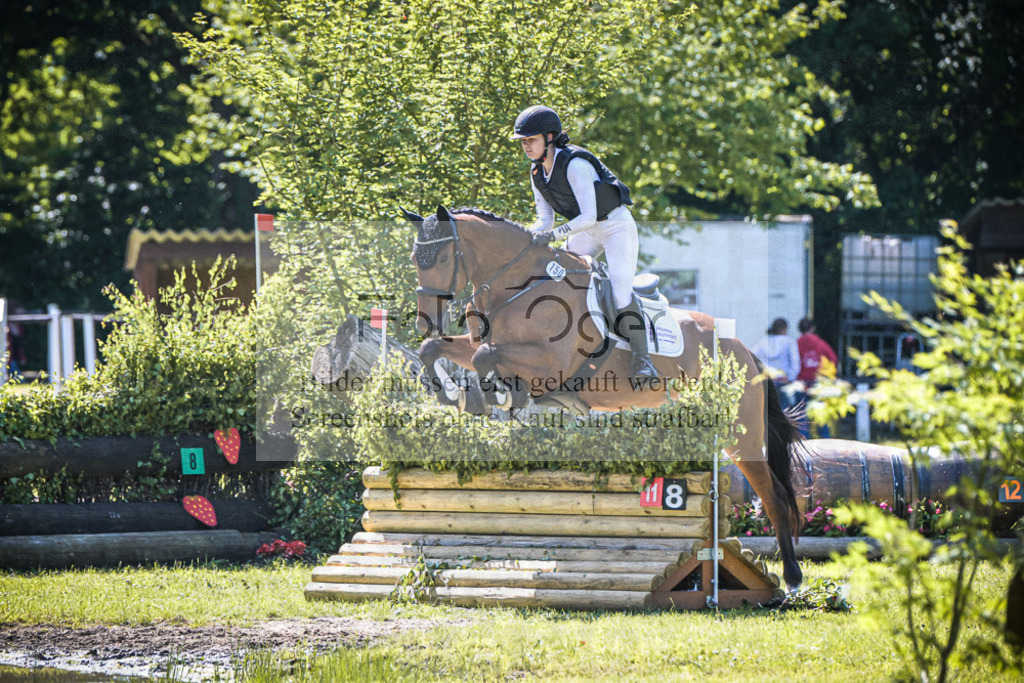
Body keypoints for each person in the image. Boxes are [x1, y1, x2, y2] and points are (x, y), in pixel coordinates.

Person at [511, 104, 655, 379]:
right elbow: (544, 221)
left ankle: (644, 360)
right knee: (557, 275)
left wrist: (553, 236)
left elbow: (588, 216)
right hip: (586, 230)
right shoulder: (537, 173)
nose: (526, 146)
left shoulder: (575, 164)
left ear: (549, 137)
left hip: (614, 227)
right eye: (523, 141)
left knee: (620, 293)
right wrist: (521, 236)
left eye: (531, 139)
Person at [796, 317, 838, 437]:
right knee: (821, 416)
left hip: (802, 384)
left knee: (802, 417)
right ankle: (825, 440)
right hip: (818, 384)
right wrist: (825, 374)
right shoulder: (821, 344)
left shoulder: (796, 344)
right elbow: (833, 360)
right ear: (813, 328)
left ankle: (804, 442)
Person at [751, 318, 800, 409]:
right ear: (785, 329)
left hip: (767, 380)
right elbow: (795, 362)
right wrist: (791, 378)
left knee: (767, 409)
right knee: (783, 410)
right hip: (783, 381)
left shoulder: (763, 342)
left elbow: (752, 356)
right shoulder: (790, 341)